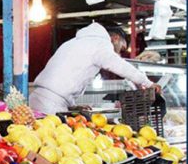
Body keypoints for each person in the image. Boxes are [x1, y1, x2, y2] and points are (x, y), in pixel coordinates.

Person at [29, 23, 157, 114]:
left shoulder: (75, 42)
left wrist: (72, 105)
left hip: (40, 99)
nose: (119, 53)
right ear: (115, 38)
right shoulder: (100, 44)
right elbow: (120, 66)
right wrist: (147, 83)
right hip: (50, 105)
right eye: (121, 49)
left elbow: (67, 76)